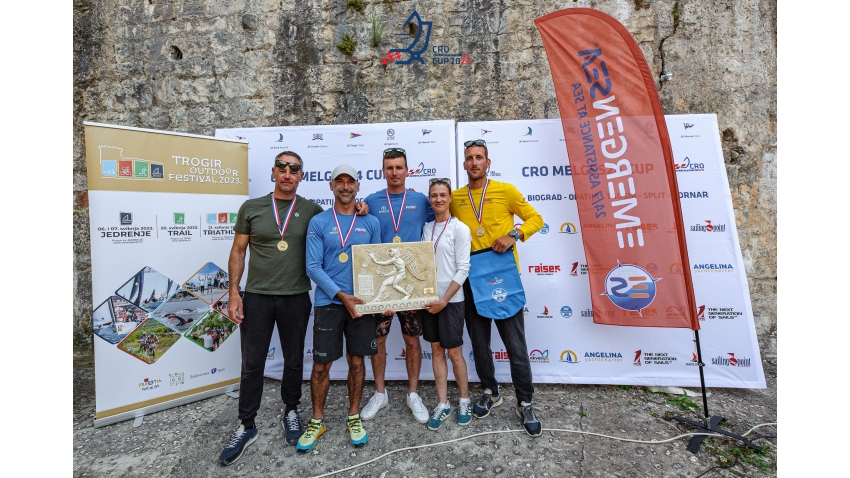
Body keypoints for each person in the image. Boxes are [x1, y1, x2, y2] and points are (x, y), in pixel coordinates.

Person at [219, 151, 368, 466]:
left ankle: (290, 412)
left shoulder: (312, 211)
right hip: (257, 296)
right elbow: (238, 250)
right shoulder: (252, 208)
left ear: (302, 175)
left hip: (296, 296)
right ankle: (246, 425)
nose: (288, 173)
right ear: (274, 172)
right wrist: (233, 292)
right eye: (283, 168)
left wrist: (360, 207)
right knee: (251, 364)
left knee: (293, 361)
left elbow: (342, 214)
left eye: (295, 169)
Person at [450, 139, 545, 437]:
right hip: (472, 282)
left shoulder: (506, 191)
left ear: (488, 163)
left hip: (503, 279)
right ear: (464, 164)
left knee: (515, 347)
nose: (474, 162)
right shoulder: (454, 197)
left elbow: (536, 219)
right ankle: (490, 391)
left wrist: (514, 235)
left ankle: (525, 401)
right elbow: (434, 217)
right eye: (469, 158)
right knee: (480, 346)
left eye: (479, 157)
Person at [297, 164, 382, 452]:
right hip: (329, 303)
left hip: (361, 305)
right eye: (339, 182)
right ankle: (317, 420)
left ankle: (354, 416)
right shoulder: (319, 222)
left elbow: (378, 263)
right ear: (331, 186)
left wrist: (385, 299)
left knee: (357, 362)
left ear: (358, 187)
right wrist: (342, 295)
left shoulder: (370, 222)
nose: (345, 186)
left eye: (351, 182)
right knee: (321, 365)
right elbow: (312, 266)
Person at [361, 148, 435, 424]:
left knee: (412, 339)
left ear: (408, 170)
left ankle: (413, 393)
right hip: (383, 281)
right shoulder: (371, 200)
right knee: (378, 339)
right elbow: (360, 224)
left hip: (411, 283)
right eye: (389, 168)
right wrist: (360, 209)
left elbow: (440, 215)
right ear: (383, 171)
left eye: (399, 167)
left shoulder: (419, 199)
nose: (394, 172)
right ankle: (380, 393)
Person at [420, 178, 473, 430]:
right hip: (429, 300)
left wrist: (444, 300)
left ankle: (464, 399)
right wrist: (431, 299)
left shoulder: (459, 229)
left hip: (451, 301)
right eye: (433, 195)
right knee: (436, 349)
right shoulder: (426, 228)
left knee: (454, 352)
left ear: (450, 198)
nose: (438, 199)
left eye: (443, 195)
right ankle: (443, 403)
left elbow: (463, 270)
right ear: (429, 199)